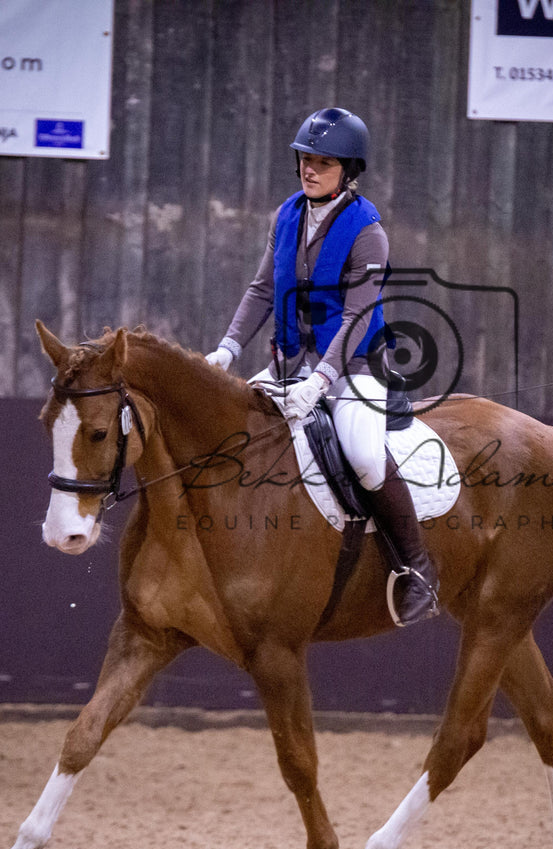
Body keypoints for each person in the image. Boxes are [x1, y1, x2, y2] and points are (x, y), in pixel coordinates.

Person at [204, 107, 438, 627]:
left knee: (363, 454)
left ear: (348, 169)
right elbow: (263, 288)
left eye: (323, 162)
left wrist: (321, 382)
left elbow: (356, 315)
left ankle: (417, 568)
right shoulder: (286, 214)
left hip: (355, 365)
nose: (310, 169)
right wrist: (227, 348)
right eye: (305, 159)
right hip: (289, 360)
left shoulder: (367, 231)